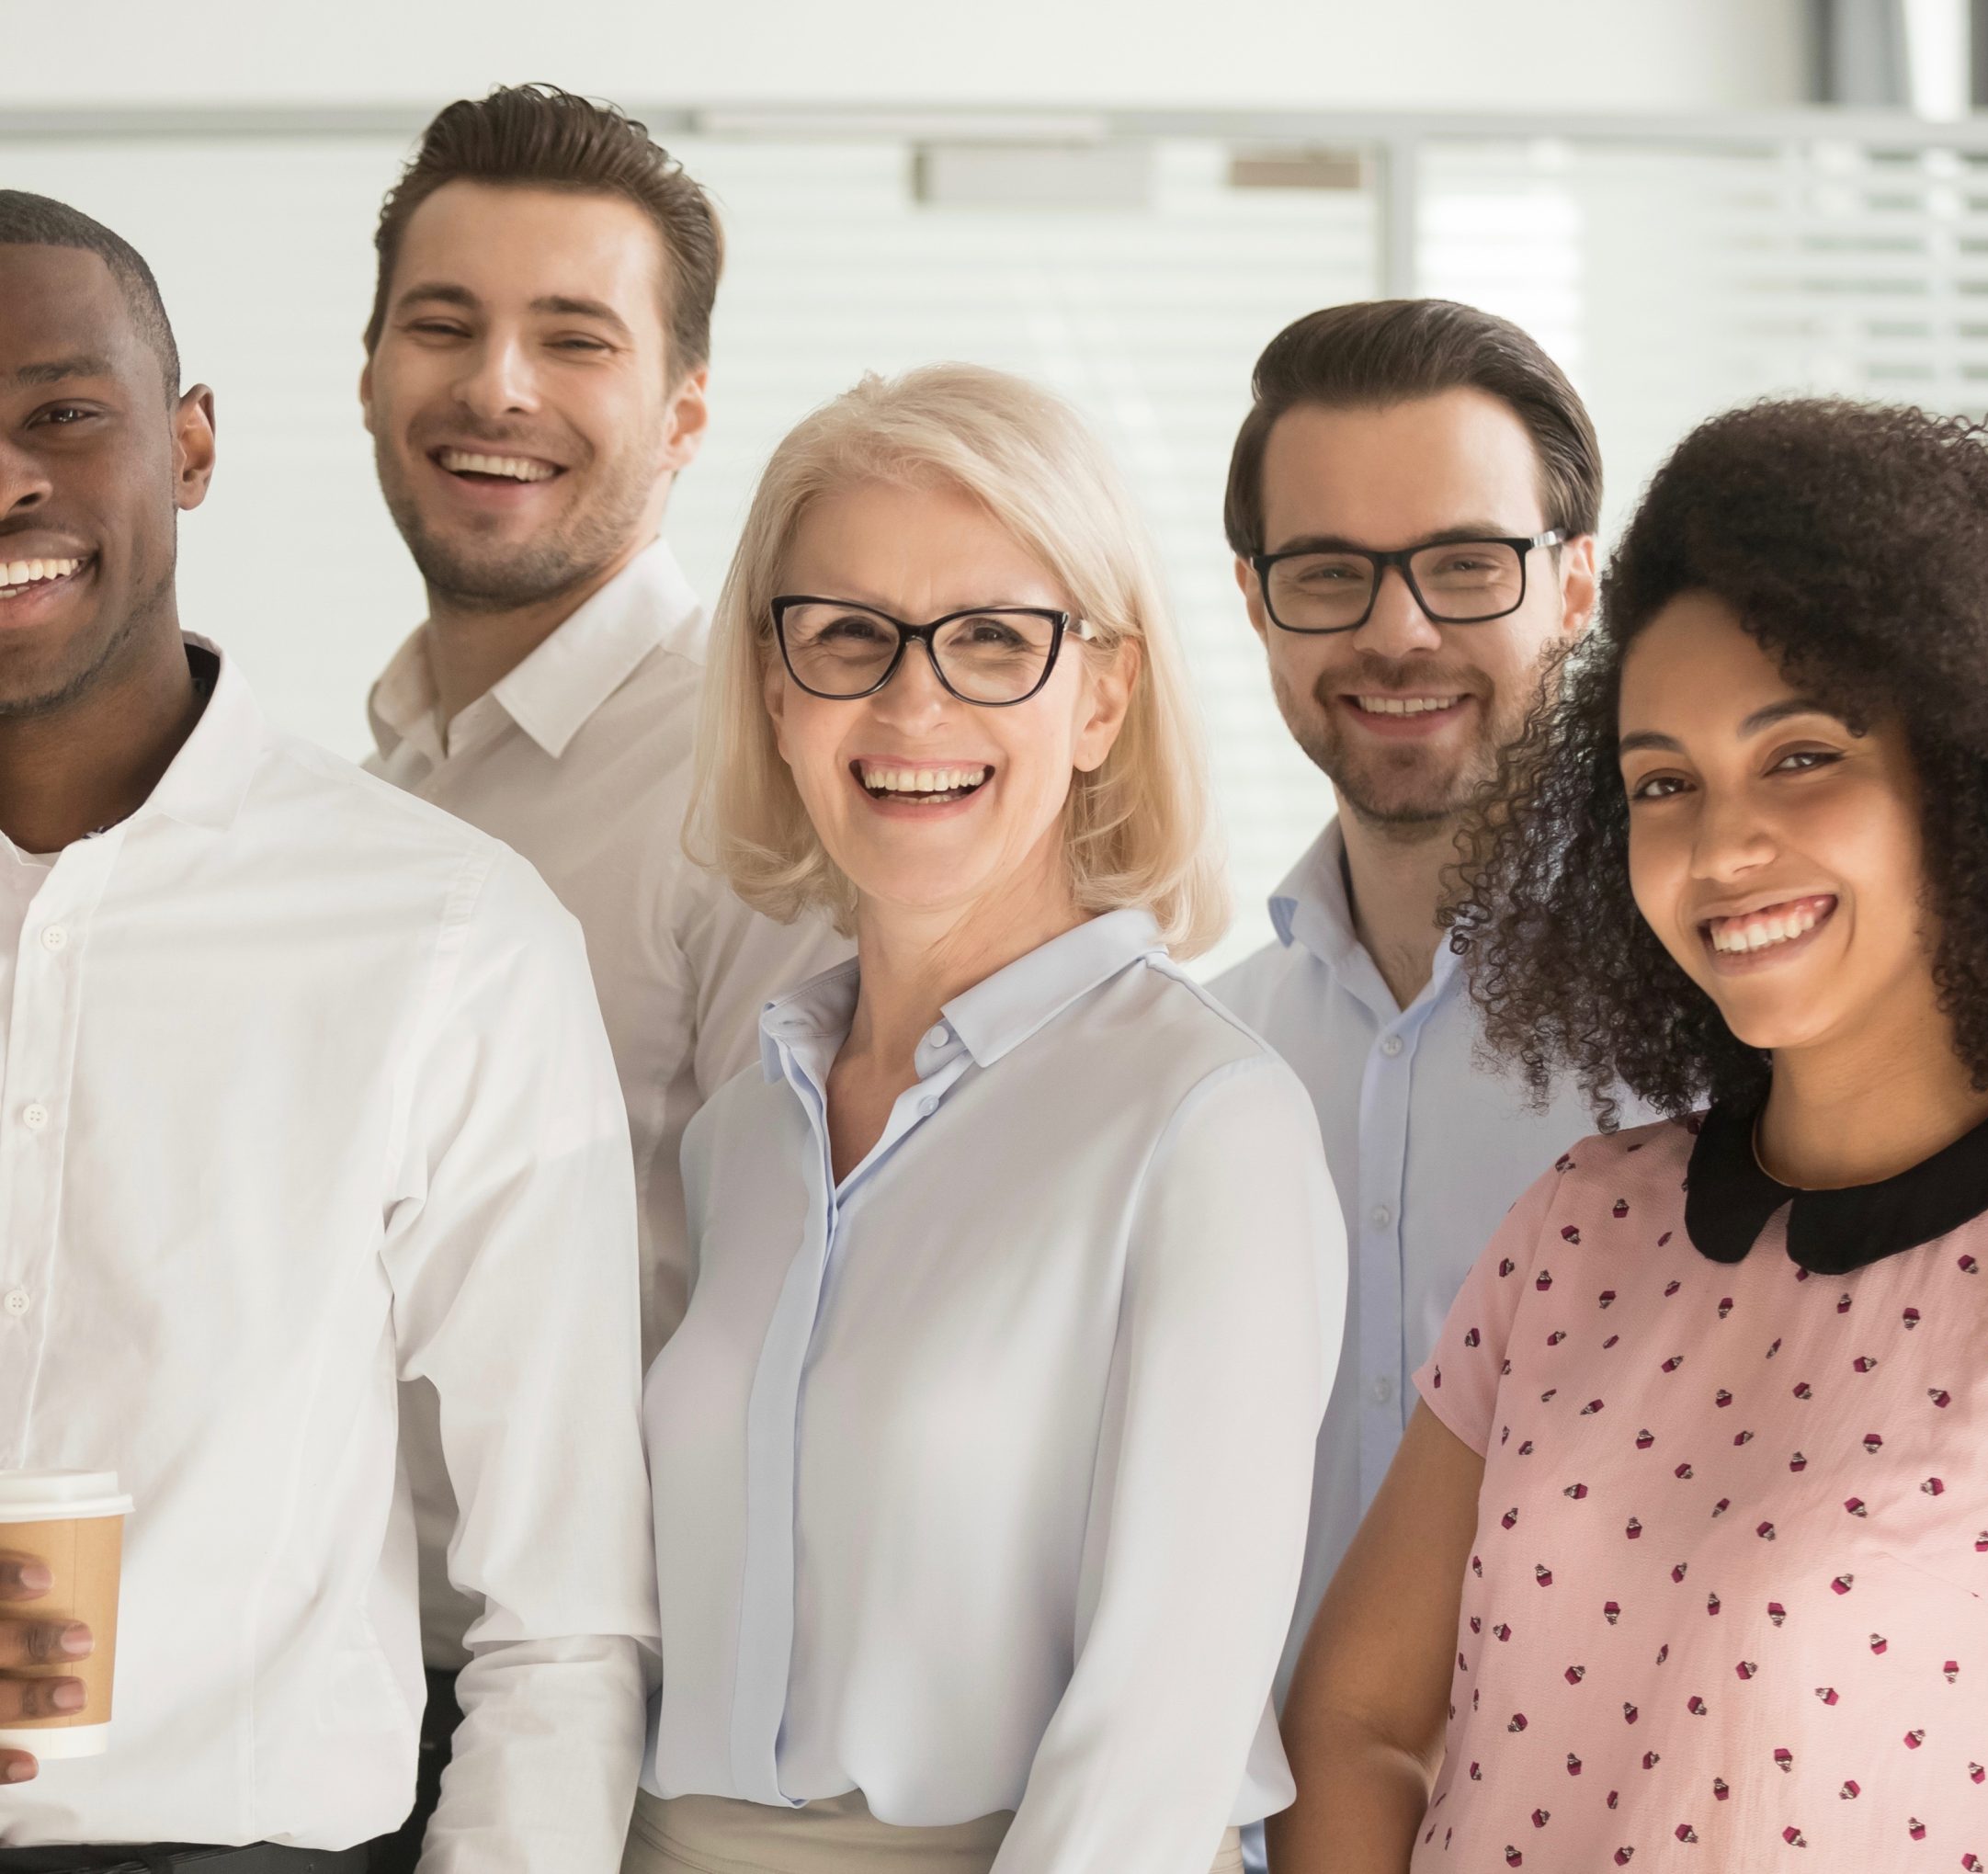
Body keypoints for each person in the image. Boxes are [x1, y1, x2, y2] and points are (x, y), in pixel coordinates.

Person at [1272, 399, 1988, 1873]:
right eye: (1663, 783)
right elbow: (1357, 1720)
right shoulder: (1579, 1225)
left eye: (1803, 757)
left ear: (1971, 774)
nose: (1719, 844)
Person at [0, 195, 653, 1870]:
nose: (7, 480)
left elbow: (563, 1619)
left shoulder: (445, 936)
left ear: (191, 444)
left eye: (62, 413)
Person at [626, 363, 1345, 1874]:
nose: (910, 701)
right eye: (845, 636)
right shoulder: (743, 1134)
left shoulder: (1206, 1124)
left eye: (994, 641)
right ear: (775, 688)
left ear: (1101, 697)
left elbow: (1163, 1738)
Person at [352, 87, 842, 1865]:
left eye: (575, 338)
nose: (496, 387)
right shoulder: (391, 765)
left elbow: (798, 1338)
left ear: (684, 412)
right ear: (369, 374)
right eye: (445, 324)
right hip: (344, 1705)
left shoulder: (756, 778)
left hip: (595, 1740)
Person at [1210, 300, 1605, 1699]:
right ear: (1255, 600)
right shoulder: (1201, 1058)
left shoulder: (1721, 1047)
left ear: (1576, 585)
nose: (1398, 630)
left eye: (1463, 564)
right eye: (1328, 572)